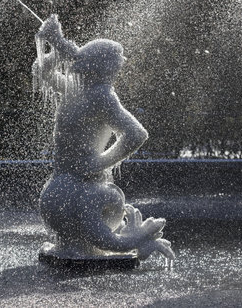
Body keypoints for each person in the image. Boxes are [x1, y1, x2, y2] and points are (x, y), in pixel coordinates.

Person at [34, 14, 174, 260]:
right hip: (63, 184)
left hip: (86, 188)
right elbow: (41, 71)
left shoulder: (102, 96)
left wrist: (98, 162)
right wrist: (57, 47)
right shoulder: (75, 90)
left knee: (91, 225)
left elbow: (137, 134)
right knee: (74, 229)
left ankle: (103, 244)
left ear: (97, 64)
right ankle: (73, 245)